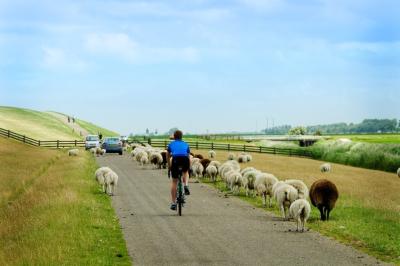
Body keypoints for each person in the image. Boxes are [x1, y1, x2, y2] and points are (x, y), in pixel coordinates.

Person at [167, 130, 191, 211]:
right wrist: (188, 167)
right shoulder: (186, 144)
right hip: (184, 159)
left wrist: (169, 166)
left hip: (175, 160)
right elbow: (188, 156)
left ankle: (173, 203)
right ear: (182, 136)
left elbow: (168, 155)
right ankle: (186, 185)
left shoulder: (171, 144)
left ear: (174, 136)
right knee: (185, 172)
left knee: (174, 182)